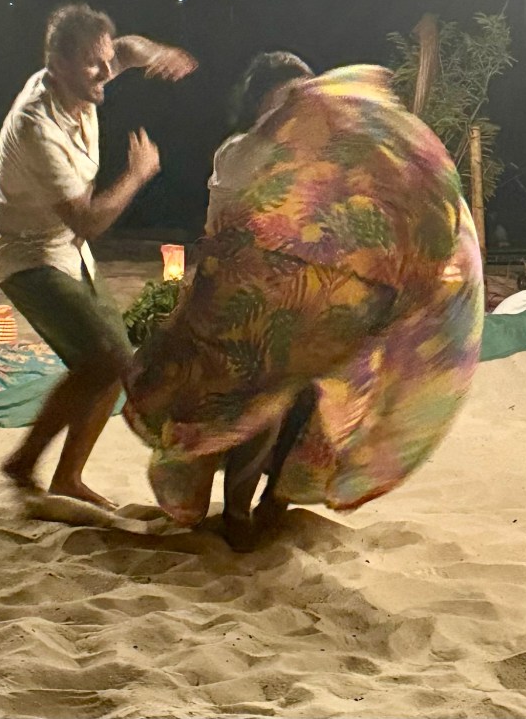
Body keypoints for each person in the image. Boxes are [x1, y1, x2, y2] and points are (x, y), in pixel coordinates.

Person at [123, 53, 484, 550]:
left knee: (319, 409)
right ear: (261, 108)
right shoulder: (240, 155)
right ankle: (236, 514)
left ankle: (274, 505)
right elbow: (236, 230)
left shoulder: (337, 162)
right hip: (249, 310)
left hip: (319, 309)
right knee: (254, 409)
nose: (306, 109)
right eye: (290, 100)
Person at [0, 3, 196, 508]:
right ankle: (26, 462)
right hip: (27, 257)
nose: (106, 72)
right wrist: (138, 174)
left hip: (69, 252)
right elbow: (88, 221)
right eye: (91, 63)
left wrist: (158, 53)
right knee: (104, 357)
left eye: (105, 60)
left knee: (113, 362)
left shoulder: (89, 74)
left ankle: (61, 476)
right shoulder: (36, 126)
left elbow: (128, 49)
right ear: (57, 65)